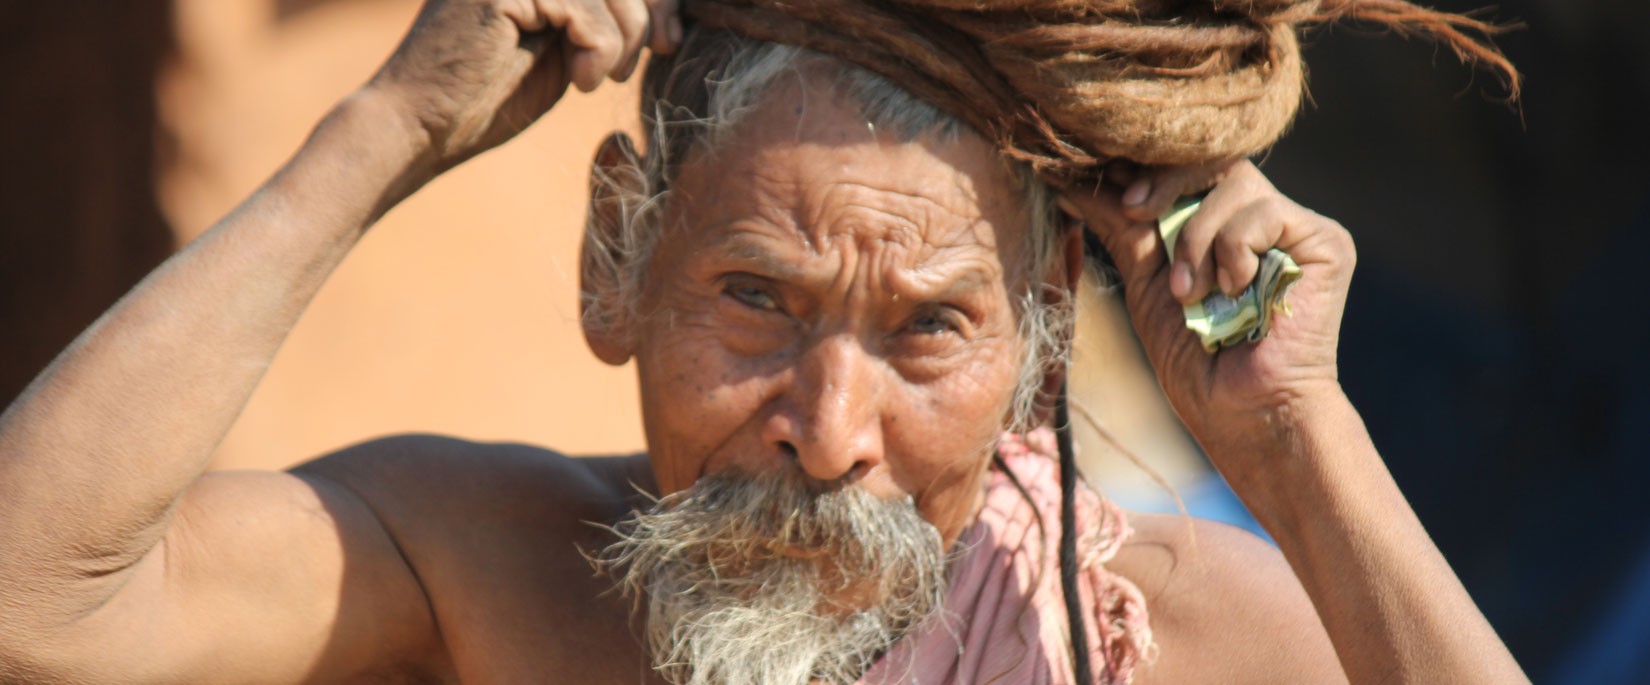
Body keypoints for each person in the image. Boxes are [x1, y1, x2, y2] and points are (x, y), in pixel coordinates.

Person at [0, 0, 1527, 682]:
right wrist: (381, 131)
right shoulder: (477, 576)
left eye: (929, 330)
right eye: (757, 301)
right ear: (618, 262)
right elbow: (33, 605)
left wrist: (1295, 437)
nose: (829, 424)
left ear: (1045, 335)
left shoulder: (1174, 638)